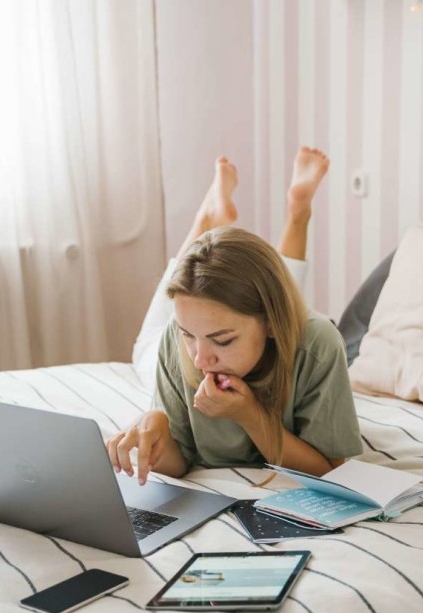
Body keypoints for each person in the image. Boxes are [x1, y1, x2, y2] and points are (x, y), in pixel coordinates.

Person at [108, 148, 362, 485]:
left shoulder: (317, 345)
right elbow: (179, 461)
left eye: (222, 340)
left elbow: (330, 471)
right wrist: (154, 436)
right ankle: (250, 217)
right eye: (188, 335)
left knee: (273, 286)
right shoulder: (176, 337)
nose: (200, 359)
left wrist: (249, 416)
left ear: (271, 323)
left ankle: (272, 215)